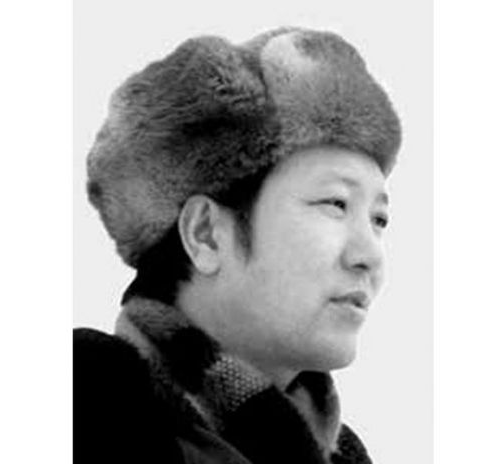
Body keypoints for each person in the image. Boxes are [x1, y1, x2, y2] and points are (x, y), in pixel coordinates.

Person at [74, 26, 401, 464]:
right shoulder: (88, 412)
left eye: (379, 220)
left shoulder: (342, 456)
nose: (370, 256)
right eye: (335, 204)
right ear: (206, 234)